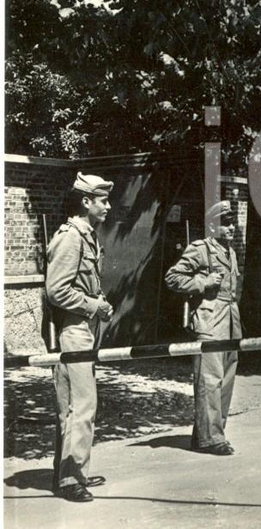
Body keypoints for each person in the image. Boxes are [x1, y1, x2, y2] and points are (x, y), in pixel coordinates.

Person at [45, 172, 115, 502]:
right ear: (86, 202)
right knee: (80, 406)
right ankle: (71, 479)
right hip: (72, 329)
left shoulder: (87, 236)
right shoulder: (71, 237)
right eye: (103, 201)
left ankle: (71, 473)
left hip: (84, 327)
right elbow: (56, 290)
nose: (109, 207)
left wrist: (98, 305)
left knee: (77, 405)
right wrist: (93, 305)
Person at [165, 200, 243, 455]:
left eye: (233, 222)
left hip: (231, 320)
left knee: (226, 381)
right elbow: (173, 278)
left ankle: (207, 433)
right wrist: (204, 281)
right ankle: (212, 439)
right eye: (226, 223)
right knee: (210, 381)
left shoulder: (229, 250)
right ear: (212, 225)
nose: (232, 227)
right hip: (210, 321)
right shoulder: (200, 249)